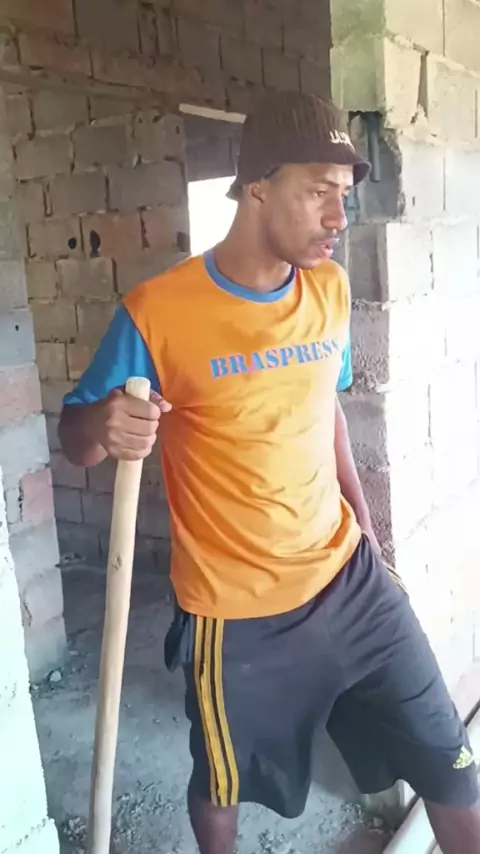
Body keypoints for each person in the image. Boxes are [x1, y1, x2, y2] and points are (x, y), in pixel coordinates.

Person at [59, 92, 480, 854]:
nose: (338, 217)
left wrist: (368, 531)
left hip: (350, 579)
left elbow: (324, 411)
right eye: (318, 192)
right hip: (234, 611)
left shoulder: (329, 290)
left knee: (451, 763)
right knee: (222, 785)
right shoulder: (158, 312)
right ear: (257, 187)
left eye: (344, 195)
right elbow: (76, 440)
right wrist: (102, 425)